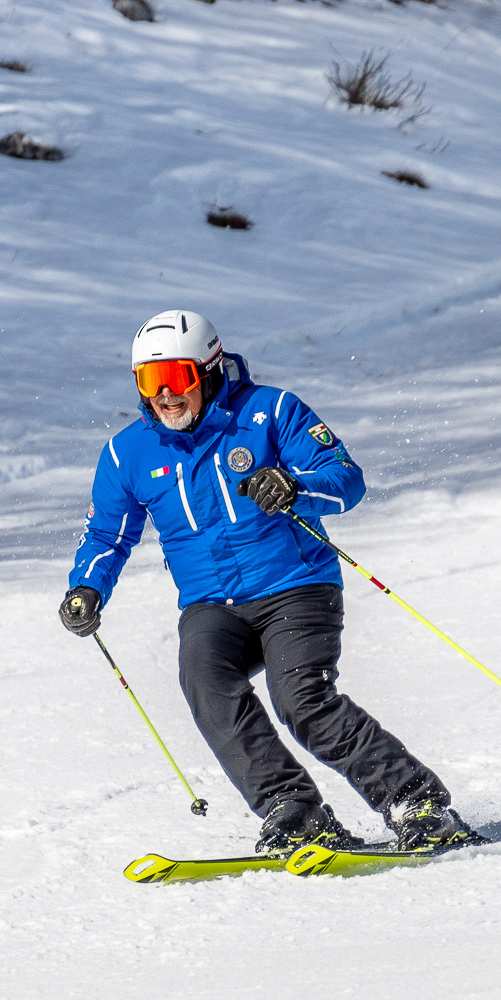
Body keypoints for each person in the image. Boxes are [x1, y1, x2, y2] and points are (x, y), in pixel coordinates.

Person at [58, 309, 472, 854]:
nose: (164, 397)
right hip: (213, 604)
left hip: (296, 586)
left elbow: (346, 478)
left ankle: (413, 802)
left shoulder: (270, 411)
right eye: (148, 382)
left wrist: (293, 485)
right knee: (204, 678)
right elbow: (107, 537)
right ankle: (293, 810)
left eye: (175, 379)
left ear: (208, 369)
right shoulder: (126, 453)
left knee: (301, 699)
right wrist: (87, 588)